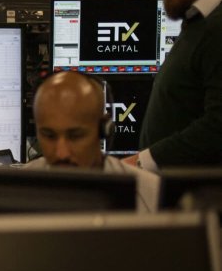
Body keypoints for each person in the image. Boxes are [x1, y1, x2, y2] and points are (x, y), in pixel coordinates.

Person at [123, 0, 222, 170]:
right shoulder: (200, 22)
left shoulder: (217, 28)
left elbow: (218, 126)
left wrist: (142, 162)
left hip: (198, 200)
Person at [27, 71, 158, 211]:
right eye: (49, 136)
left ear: (105, 130)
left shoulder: (149, 195)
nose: (62, 154)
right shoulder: (17, 189)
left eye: (75, 136)